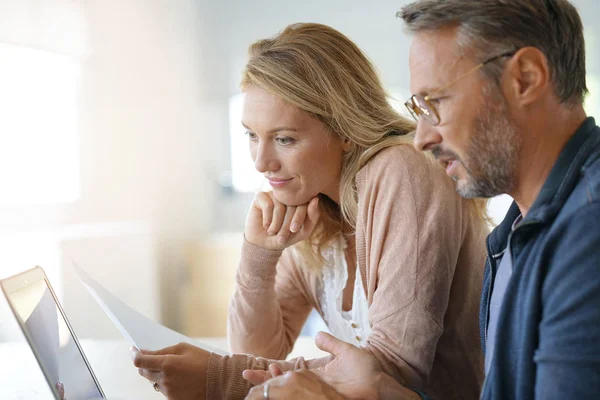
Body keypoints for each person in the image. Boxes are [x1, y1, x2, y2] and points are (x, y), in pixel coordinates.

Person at [249, 0, 600, 399]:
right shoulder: (517, 232)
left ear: (525, 77)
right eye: (418, 108)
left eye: (435, 102)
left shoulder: (588, 231)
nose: (422, 137)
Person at [132, 22, 490, 399]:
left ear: (347, 129)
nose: (261, 162)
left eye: (285, 139)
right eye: (252, 136)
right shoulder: (312, 205)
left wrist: (220, 379)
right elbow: (257, 352)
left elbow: (396, 369)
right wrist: (258, 255)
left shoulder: (403, 170)